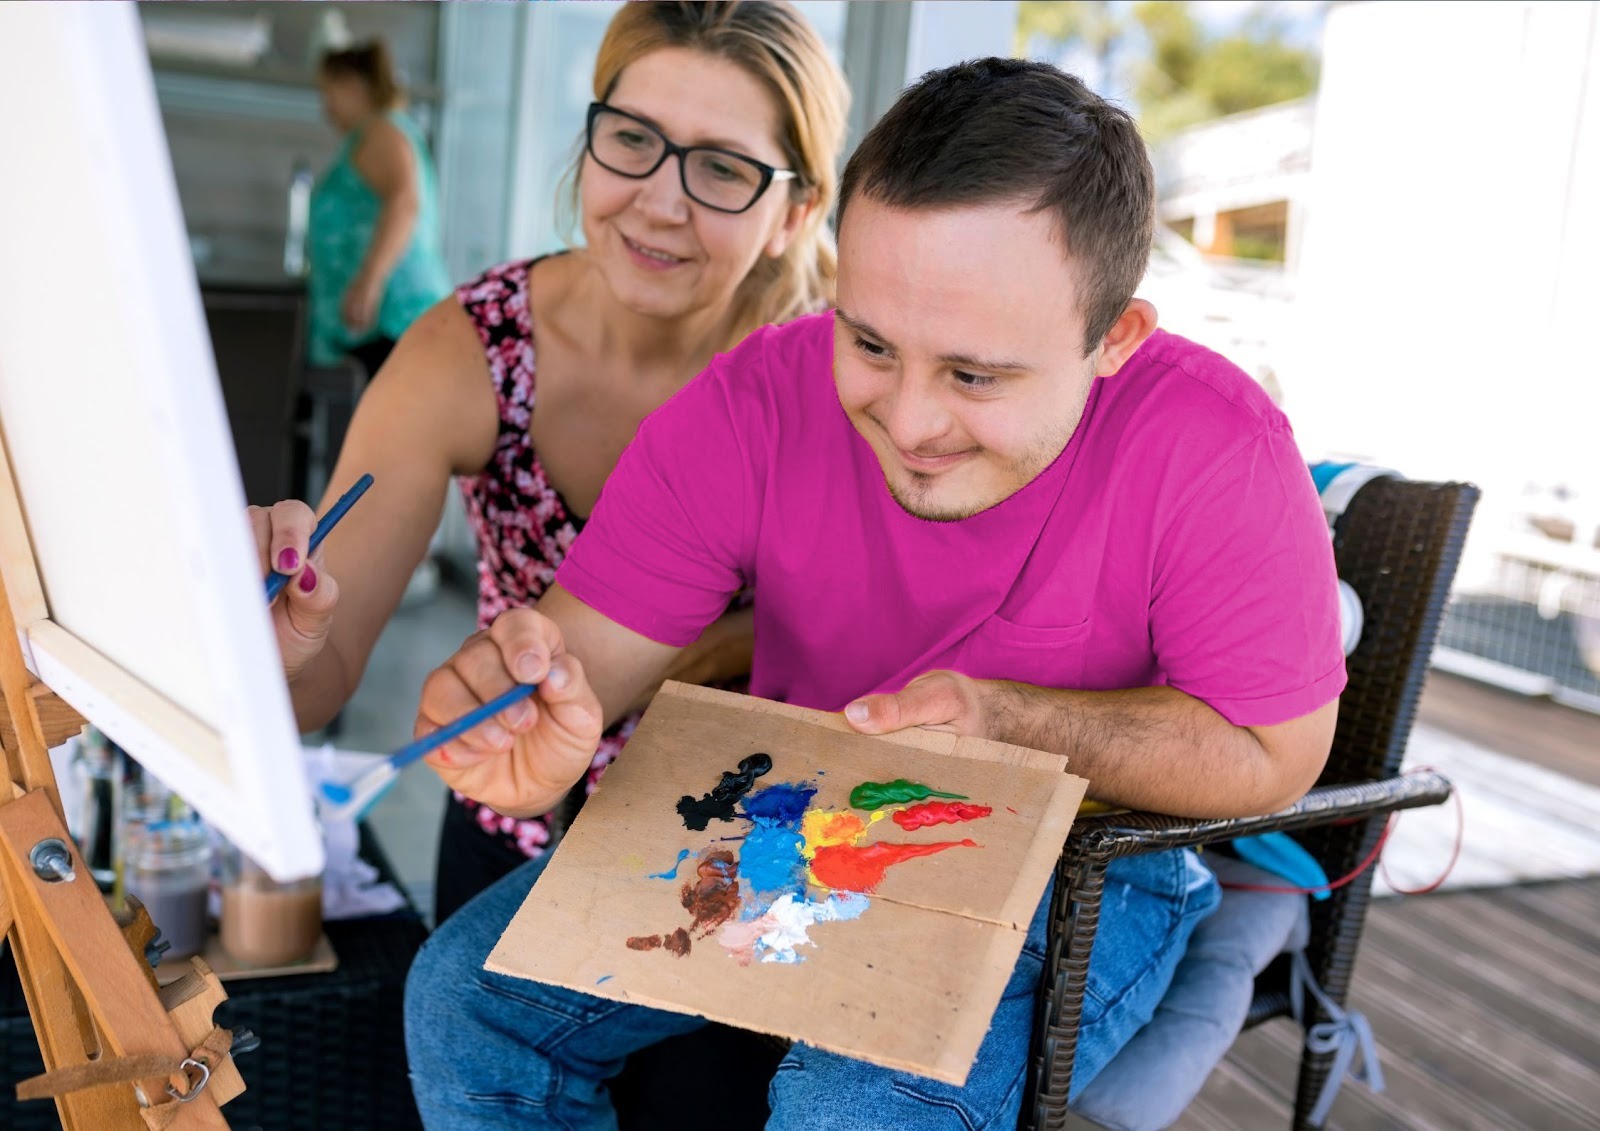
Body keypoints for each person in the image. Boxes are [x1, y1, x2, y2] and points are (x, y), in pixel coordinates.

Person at [401, 57, 1345, 1129]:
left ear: (1112, 340)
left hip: (1084, 860)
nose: (907, 421)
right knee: (460, 1001)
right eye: (870, 343)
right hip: (796, 818)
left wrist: (1009, 724)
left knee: (848, 1103)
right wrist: (530, 712)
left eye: (974, 375)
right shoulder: (756, 399)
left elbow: (1275, 753)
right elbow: (577, 658)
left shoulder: (1214, 444)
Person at [254, 1, 849, 924]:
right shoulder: (475, 348)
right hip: (514, 837)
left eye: (724, 169)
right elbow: (321, 676)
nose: (659, 200)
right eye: (631, 140)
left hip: (760, 863)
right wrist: (276, 638)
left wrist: (674, 654)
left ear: (794, 213)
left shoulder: (854, 376)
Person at [308, 40, 452, 380]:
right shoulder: (379, 132)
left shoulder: (382, 131)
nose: (325, 107)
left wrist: (369, 282)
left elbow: (405, 203)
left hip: (392, 319)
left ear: (353, 87)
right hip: (382, 326)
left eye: (328, 92)